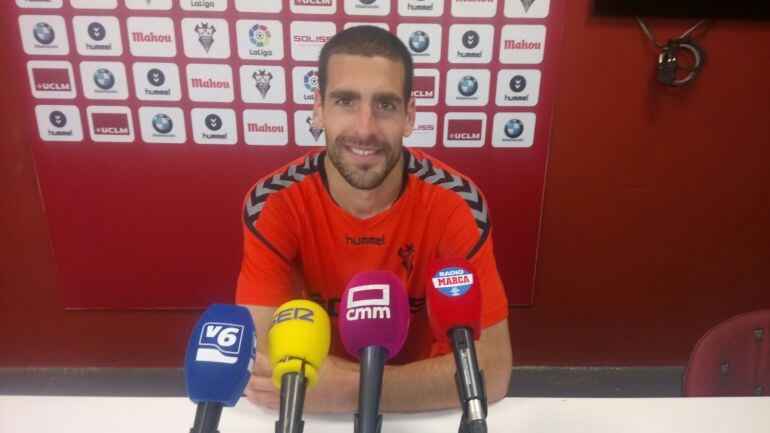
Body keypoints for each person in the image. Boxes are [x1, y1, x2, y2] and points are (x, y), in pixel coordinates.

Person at [236, 25, 512, 414]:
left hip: (419, 416)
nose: (365, 129)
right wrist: (383, 387)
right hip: (321, 414)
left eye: (385, 104)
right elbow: (264, 367)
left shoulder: (456, 203)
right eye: (346, 101)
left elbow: (493, 371)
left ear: (409, 116)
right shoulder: (273, 203)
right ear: (319, 109)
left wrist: (349, 390)